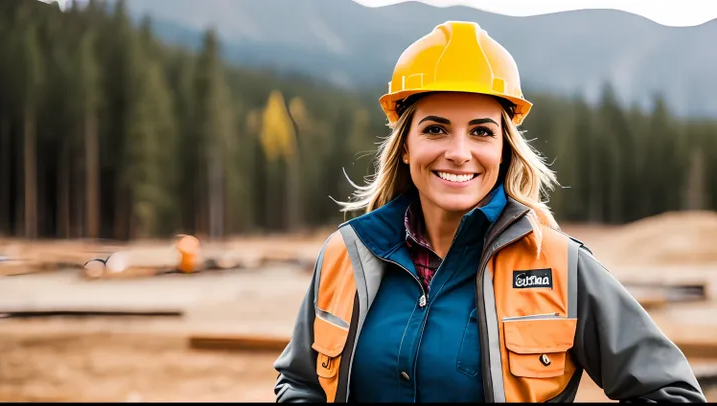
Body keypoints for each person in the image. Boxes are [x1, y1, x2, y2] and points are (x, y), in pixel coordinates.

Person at [273, 20, 707, 403]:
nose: (459, 153)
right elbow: (300, 383)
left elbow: (671, 392)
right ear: (406, 147)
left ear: (504, 150)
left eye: (481, 131)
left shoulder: (562, 266)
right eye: (436, 129)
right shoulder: (344, 256)